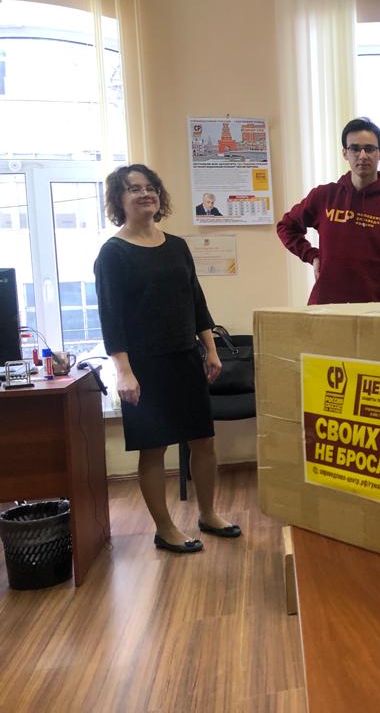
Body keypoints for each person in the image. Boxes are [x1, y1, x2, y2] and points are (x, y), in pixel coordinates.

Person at [94, 164, 240, 554]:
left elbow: (196, 301)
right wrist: (123, 372)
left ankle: (209, 514)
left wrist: (210, 350)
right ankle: (165, 529)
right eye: (134, 188)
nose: (146, 194)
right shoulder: (113, 253)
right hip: (143, 365)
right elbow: (111, 318)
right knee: (154, 447)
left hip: (185, 357)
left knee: (203, 440)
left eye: (151, 187)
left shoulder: (176, 246)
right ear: (119, 199)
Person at [277, 117, 380, 304]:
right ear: (345, 152)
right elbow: (286, 226)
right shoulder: (325, 196)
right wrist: (312, 256)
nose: (362, 155)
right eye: (355, 149)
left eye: (369, 149)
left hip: (375, 311)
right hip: (325, 308)